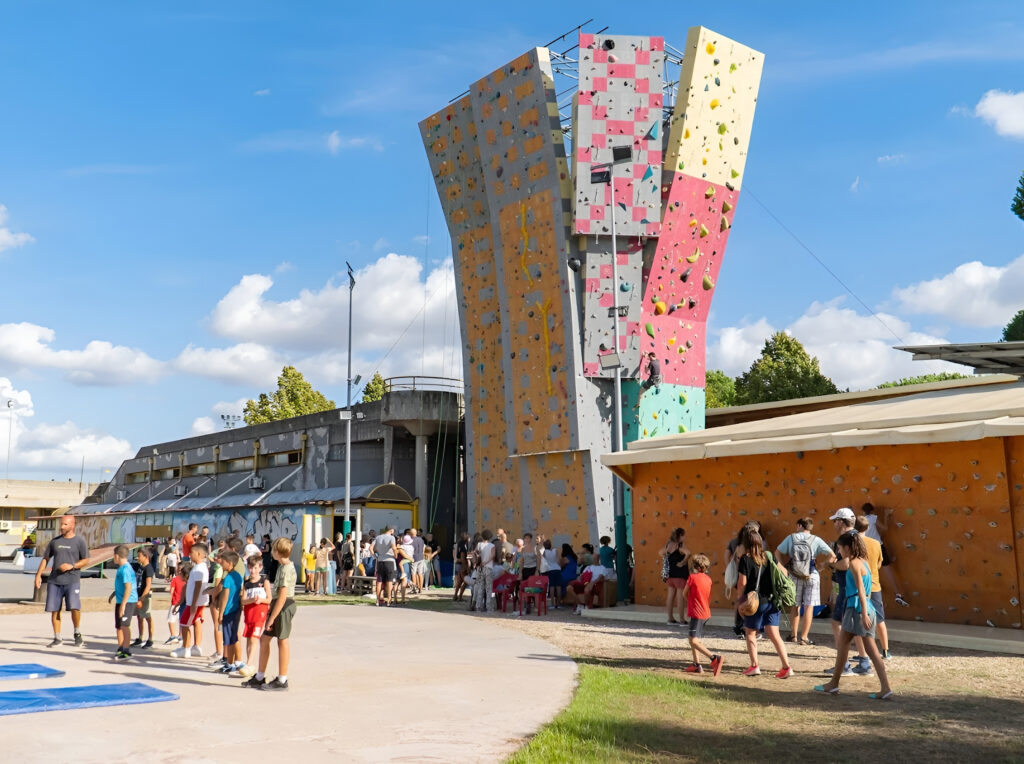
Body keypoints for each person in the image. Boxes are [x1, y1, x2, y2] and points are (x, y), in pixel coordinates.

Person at [814, 531, 894, 700]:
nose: (839, 551)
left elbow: (860, 590)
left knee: (868, 650)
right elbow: (867, 591)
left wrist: (864, 613)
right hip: (862, 608)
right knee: (844, 646)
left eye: (840, 548)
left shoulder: (854, 564)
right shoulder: (863, 562)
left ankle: (884, 687)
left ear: (847, 547)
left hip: (856, 609)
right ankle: (834, 684)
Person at [735, 531, 792, 679]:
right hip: (773, 601)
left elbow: (742, 583)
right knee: (775, 635)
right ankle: (786, 667)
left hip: (755, 602)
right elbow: (784, 573)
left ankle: (754, 666)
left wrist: (739, 601)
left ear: (745, 543)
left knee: (751, 633)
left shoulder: (745, 559)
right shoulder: (769, 556)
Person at [242, 537, 296, 690]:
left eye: (273, 549)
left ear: (278, 552)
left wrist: (271, 617)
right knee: (264, 639)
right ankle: (259, 676)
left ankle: (282, 680)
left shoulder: (286, 569)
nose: (271, 552)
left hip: (284, 606)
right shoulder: (281, 566)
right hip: (277, 606)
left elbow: (283, 596)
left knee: (282, 641)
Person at [824, 508, 870, 676]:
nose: (834, 523)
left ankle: (844, 666)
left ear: (841, 522)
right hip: (846, 588)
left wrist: (830, 565)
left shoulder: (848, 539)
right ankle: (863, 662)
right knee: (852, 627)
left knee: (838, 624)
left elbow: (846, 564)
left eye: (835, 520)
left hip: (849, 590)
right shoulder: (857, 536)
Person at [776, 517, 835, 645]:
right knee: (809, 606)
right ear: (810, 527)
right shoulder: (816, 539)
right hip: (812, 574)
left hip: (795, 575)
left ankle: (793, 635)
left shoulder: (791, 538)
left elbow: (777, 552)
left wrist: (782, 567)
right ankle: (804, 637)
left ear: (799, 526)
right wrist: (822, 566)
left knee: (795, 606)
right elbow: (832, 556)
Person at [35, 514, 90, 648]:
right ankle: (57, 637)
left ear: (72, 525)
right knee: (55, 609)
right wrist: (38, 575)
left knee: (74, 607)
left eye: (65, 524)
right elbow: (46, 558)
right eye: (61, 524)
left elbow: (86, 560)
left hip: (72, 580)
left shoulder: (79, 541)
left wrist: (72, 566)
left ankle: (77, 633)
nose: (62, 526)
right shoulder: (55, 542)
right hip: (55, 580)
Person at [855, 515, 891, 660]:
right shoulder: (876, 543)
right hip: (875, 585)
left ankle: (863, 654)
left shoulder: (853, 543)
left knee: (858, 621)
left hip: (858, 586)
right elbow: (879, 564)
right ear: (868, 527)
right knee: (880, 620)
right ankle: (885, 651)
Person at [681, 554, 723, 676]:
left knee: (693, 641)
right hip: (705, 612)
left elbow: (684, 593)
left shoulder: (692, 578)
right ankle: (696, 664)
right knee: (694, 639)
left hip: (696, 613)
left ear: (694, 566)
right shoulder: (708, 579)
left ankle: (715, 658)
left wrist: (690, 601)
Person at [862, 503, 910, 607]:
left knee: (868, 572)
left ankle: (866, 596)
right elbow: (884, 528)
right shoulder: (873, 518)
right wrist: (886, 516)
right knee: (888, 570)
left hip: (866, 548)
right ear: (872, 510)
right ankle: (898, 594)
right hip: (878, 546)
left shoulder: (861, 520)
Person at [171, 542, 210, 658]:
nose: (189, 554)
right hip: (197, 602)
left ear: (199, 554)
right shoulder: (200, 567)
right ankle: (196, 647)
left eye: (192, 552)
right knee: (195, 621)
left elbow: (198, 586)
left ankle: (185, 649)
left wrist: (193, 603)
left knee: (184, 624)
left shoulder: (198, 569)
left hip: (194, 602)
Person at [234, 554, 271, 678]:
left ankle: (249, 664)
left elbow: (269, 599)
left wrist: (261, 600)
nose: (253, 571)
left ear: (260, 568)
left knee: (255, 638)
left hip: (260, 615)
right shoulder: (247, 583)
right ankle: (248, 663)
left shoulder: (264, 581)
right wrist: (252, 600)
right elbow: (243, 601)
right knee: (249, 639)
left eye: (255, 568)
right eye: (250, 568)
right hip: (249, 615)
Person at [214, 550, 245, 674]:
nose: (221, 563)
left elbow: (225, 597)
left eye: (223, 562)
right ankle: (233, 662)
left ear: (230, 563)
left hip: (228, 611)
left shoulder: (228, 578)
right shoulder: (238, 576)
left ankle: (230, 664)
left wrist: (220, 614)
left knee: (228, 639)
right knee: (233, 637)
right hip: (236, 610)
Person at [108, 544, 138, 661]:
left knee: (125, 626)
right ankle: (121, 647)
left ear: (116, 556)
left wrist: (123, 604)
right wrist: (114, 594)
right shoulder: (121, 568)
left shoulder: (126, 569)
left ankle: (127, 651)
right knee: (119, 626)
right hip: (121, 600)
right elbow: (121, 586)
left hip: (128, 601)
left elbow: (128, 588)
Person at [662, 528, 690, 625]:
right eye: (684, 535)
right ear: (680, 535)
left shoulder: (668, 544)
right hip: (679, 574)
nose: (685, 537)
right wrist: (682, 562)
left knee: (670, 597)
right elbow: (688, 553)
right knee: (680, 598)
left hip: (670, 574)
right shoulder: (680, 545)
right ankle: (682, 620)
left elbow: (661, 552)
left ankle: (670, 618)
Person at [131, 546, 155, 649]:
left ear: (145, 556)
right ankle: (140, 638)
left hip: (145, 596)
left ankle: (150, 639)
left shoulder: (148, 568)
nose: (138, 558)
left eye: (139, 556)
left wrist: (142, 599)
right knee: (139, 617)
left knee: (147, 617)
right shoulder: (140, 567)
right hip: (138, 595)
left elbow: (148, 585)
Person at [471, 530, 497, 612]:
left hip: (480, 568)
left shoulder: (479, 544)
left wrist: (476, 562)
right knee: (489, 588)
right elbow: (493, 556)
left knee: (480, 587)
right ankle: (489, 607)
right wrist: (486, 561)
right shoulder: (492, 545)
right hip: (488, 567)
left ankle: (478, 606)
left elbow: (474, 553)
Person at [373, 527, 398, 606]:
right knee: (389, 581)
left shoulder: (378, 537)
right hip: (389, 560)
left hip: (380, 560)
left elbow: (371, 548)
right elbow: (393, 547)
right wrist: (396, 554)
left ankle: (377, 600)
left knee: (379, 581)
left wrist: (375, 556)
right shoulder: (391, 537)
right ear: (391, 530)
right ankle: (389, 600)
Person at [164, 563, 187, 646]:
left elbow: (172, 591)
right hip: (184, 602)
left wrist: (172, 597)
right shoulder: (186, 579)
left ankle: (173, 635)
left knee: (170, 619)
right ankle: (180, 636)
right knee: (181, 620)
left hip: (175, 602)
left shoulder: (175, 579)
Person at [538, 536, 562, 608]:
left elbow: (542, 558)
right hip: (557, 569)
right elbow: (558, 560)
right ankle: (558, 604)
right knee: (558, 586)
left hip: (550, 570)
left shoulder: (545, 552)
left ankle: (552, 603)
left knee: (551, 586)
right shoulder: (556, 550)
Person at [453, 532, 470, 602]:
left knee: (459, 581)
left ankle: (455, 595)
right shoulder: (463, 546)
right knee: (465, 581)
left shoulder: (457, 544)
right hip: (462, 565)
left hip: (457, 564)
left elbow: (454, 554)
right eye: (468, 537)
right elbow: (463, 557)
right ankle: (460, 596)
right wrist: (465, 566)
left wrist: (456, 559)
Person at [410, 528, 426, 594]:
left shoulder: (411, 540)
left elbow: (411, 549)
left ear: (411, 533)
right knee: (420, 573)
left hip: (414, 558)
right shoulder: (421, 539)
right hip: (421, 557)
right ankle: (421, 588)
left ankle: (414, 589)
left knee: (413, 573)